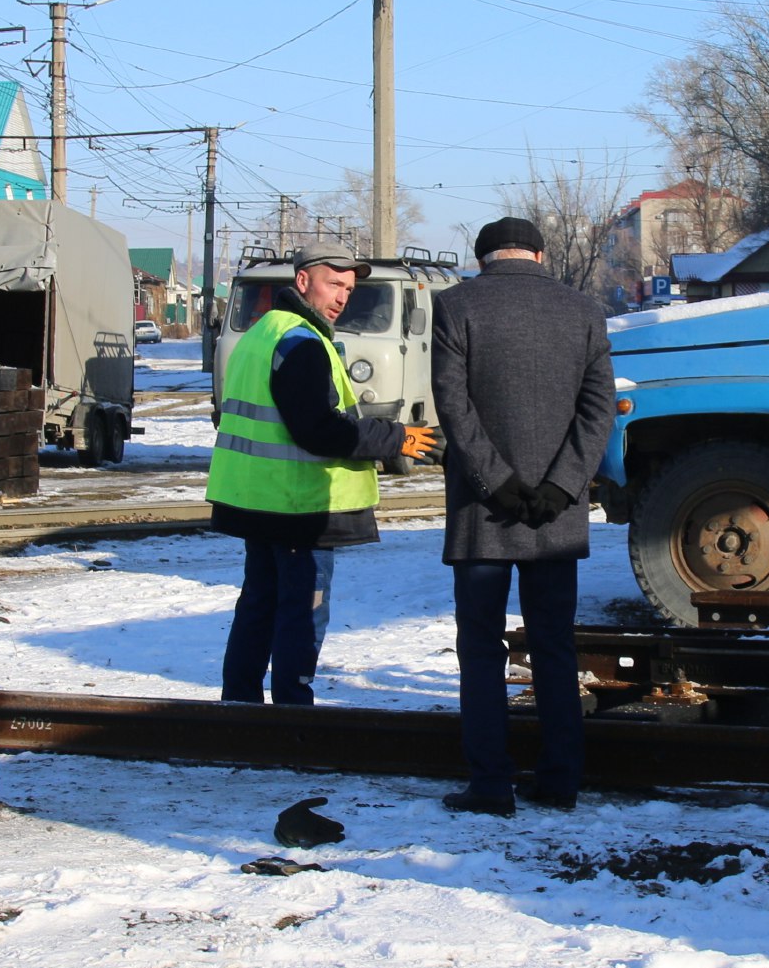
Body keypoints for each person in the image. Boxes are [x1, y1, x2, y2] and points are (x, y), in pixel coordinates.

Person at [429, 217, 616, 815]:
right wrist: (561, 487)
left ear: (482, 257)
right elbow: (598, 409)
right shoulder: (583, 310)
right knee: (555, 647)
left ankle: (490, 785)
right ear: (538, 254)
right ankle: (561, 780)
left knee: (481, 649)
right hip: (555, 517)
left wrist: (499, 484)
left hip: (482, 510)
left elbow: (453, 406)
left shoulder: (454, 306)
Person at [207, 246, 435, 704]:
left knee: (257, 608)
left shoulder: (262, 332)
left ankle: (239, 709)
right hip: (300, 506)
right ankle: (294, 714)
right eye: (334, 284)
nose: (343, 297)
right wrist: (397, 438)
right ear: (304, 281)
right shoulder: (304, 343)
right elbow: (320, 430)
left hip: (258, 499)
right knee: (300, 615)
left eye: (349, 289)